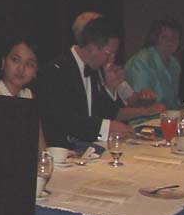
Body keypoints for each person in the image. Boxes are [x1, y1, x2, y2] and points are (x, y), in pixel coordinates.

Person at [37, 14, 134, 148]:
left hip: (91, 147)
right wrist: (106, 127)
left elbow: (106, 115)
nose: (111, 60)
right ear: (92, 47)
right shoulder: (56, 70)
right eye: (108, 53)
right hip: (64, 150)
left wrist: (111, 88)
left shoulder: (97, 69)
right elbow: (66, 120)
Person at [0, 37, 46, 152]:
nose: (21, 69)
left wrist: (49, 159)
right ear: (3, 62)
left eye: (29, 64)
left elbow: (39, 142)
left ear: (35, 72)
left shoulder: (27, 95)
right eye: (15, 60)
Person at [125, 19, 183, 110]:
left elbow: (173, 102)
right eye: (164, 37)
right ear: (155, 38)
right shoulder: (141, 61)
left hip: (168, 117)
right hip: (144, 120)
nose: (170, 41)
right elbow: (142, 103)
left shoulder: (175, 64)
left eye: (175, 37)